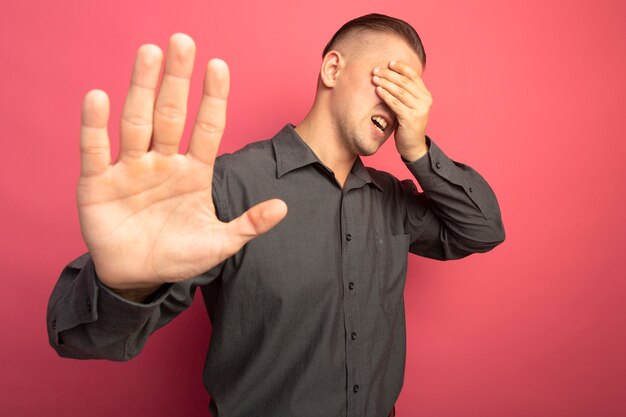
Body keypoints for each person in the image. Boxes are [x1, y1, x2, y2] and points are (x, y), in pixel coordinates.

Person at [47, 13, 505, 417]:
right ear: (332, 68)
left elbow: (482, 230)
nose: (400, 104)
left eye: (412, 94)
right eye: (390, 81)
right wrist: (127, 286)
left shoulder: (392, 200)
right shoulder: (225, 184)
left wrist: (418, 149)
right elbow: (86, 338)